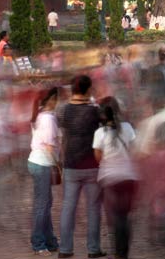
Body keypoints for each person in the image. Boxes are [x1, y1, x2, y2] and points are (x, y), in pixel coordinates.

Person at [58, 74, 105, 258]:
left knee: (68, 207)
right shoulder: (95, 110)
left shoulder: (63, 110)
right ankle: (93, 249)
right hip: (92, 164)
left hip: (71, 164)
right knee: (93, 209)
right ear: (88, 89)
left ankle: (65, 249)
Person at [92, 97, 138, 259]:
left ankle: (118, 253)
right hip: (129, 178)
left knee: (115, 217)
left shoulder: (99, 133)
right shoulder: (128, 128)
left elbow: (98, 157)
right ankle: (124, 252)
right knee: (125, 217)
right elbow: (134, 151)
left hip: (109, 179)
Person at [29, 87, 60, 256]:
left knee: (45, 204)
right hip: (43, 163)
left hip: (36, 161)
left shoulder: (40, 115)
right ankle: (38, 243)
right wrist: (58, 165)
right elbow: (50, 147)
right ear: (52, 99)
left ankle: (50, 241)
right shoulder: (48, 118)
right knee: (43, 206)